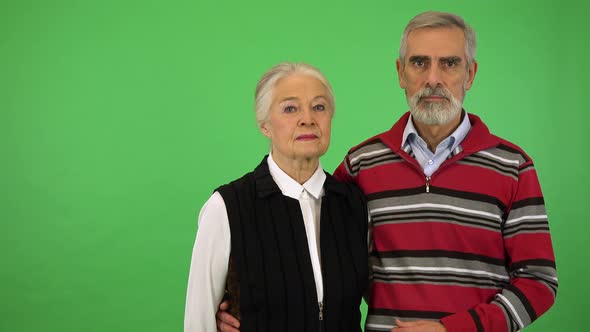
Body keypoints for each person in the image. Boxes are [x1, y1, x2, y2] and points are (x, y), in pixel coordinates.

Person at [215, 11, 558, 332]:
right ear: (400, 73)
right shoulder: (361, 165)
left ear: (470, 74)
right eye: (419, 63)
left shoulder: (512, 167)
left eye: (449, 64)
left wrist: (452, 329)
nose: (433, 79)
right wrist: (245, 306)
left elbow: (539, 282)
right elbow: (311, 255)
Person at [184, 62, 369, 332]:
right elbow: (198, 322)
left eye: (319, 107)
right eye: (290, 108)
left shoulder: (353, 203)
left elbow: (382, 296)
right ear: (264, 125)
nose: (308, 119)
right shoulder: (227, 207)